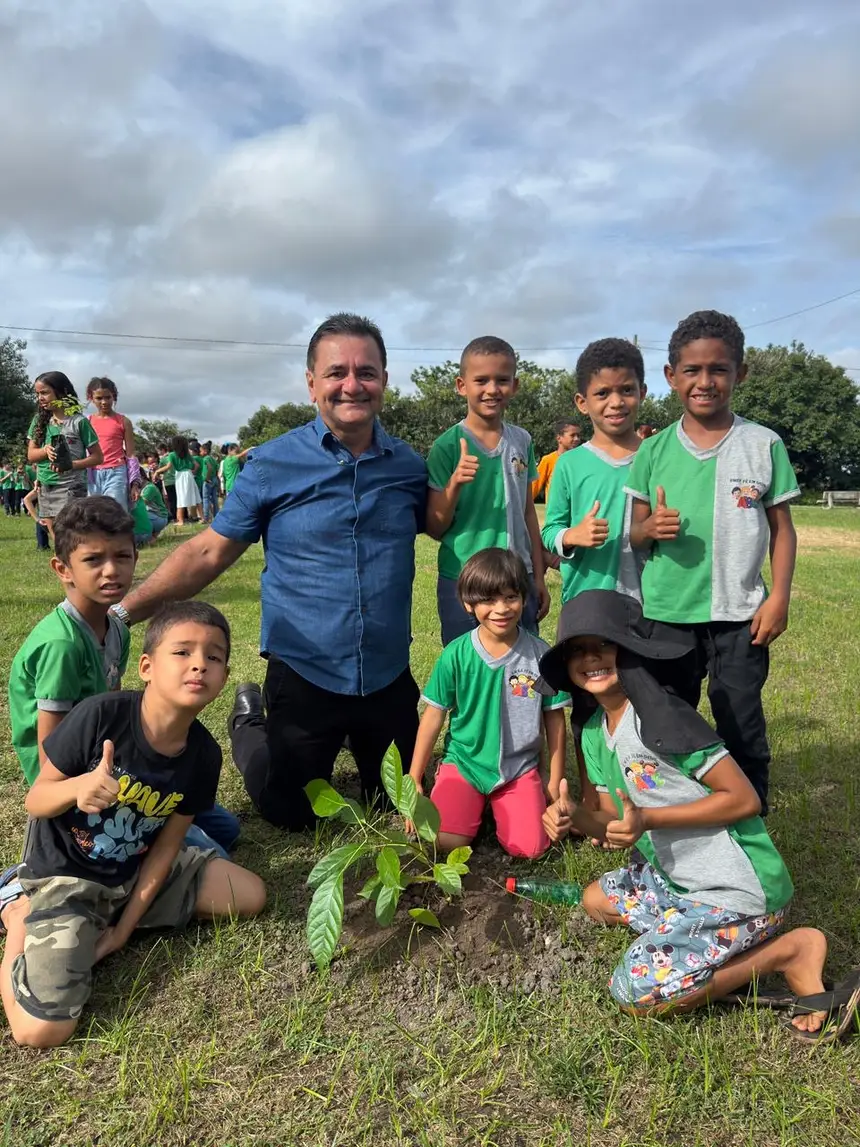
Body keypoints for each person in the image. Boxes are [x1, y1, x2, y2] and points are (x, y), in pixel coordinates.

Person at [109, 313, 427, 832]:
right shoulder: (272, 464)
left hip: (387, 672)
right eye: (336, 372)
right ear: (311, 384)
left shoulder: (410, 467)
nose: (352, 384)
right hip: (305, 671)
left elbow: (460, 522)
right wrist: (122, 613)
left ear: (385, 381)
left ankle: (354, 737)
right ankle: (249, 720)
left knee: (397, 806)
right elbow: (209, 552)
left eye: (366, 372)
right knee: (290, 814)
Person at [537, 590, 841, 1042]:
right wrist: (572, 816)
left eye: (603, 644)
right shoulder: (596, 735)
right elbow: (614, 822)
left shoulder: (664, 719)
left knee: (634, 991)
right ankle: (686, 928)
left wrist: (653, 822)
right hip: (679, 881)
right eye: (578, 650)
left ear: (630, 649)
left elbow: (743, 799)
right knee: (595, 899)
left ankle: (788, 952)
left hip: (739, 889)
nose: (591, 658)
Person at [0, 601, 266, 1049]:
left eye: (214, 656)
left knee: (251, 894)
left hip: (131, 872)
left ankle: (113, 915)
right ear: (146, 666)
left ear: (222, 677)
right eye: (182, 652)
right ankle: (18, 908)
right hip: (67, 876)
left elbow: (166, 848)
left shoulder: (204, 755)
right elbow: (36, 799)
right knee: (40, 1031)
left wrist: (122, 933)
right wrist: (77, 788)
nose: (199, 663)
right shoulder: (101, 716)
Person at [626, 311, 799, 813]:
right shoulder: (652, 450)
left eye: (719, 369)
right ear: (671, 376)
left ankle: (750, 820)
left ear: (740, 373)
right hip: (667, 613)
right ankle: (674, 813)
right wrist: (648, 529)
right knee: (668, 721)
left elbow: (782, 530)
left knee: (740, 720)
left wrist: (780, 597)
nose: (706, 382)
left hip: (741, 616)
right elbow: (635, 534)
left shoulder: (763, 444)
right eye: (693, 371)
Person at [7, 497, 239, 857]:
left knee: (226, 828)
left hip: (114, 766)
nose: (111, 571)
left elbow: (115, 711)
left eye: (122, 557)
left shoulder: (117, 629)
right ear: (62, 568)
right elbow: (47, 757)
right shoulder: (62, 646)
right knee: (211, 852)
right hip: (71, 782)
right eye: (93, 560)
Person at [407, 549, 569, 858]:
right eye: (488, 600)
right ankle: (462, 796)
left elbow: (554, 719)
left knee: (531, 848)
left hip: (518, 768)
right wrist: (414, 776)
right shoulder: (455, 654)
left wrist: (555, 780)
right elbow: (432, 717)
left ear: (523, 597)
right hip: (465, 764)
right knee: (443, 840)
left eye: (510, 597)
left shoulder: (541, 656)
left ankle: (506, 805)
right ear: (469, 603)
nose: (501, 609)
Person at [426, 336, 549, 646]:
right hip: (464, 578)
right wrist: (454, 483)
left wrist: (538, 576)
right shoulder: (447, 447)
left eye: (502, 380)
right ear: (461, 385)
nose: (492, 389)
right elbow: (435, 526)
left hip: (517, 580)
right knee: (466, 665)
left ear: (515, 385)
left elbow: (526, 513)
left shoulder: (522, 441)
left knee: (522, 668)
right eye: (481, 380)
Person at [542, 339, 646, 606]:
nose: (616, 402)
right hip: (586, 601)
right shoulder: (569, 464)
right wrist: (572, 535)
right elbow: (551, 529)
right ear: (582, 402)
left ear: (642, 392)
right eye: (602, 393)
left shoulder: (659, 458)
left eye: (626, 390)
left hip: (652, 604)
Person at [26, 372, 103, 541]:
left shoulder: (78, 422)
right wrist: (45, 450)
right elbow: (31, 455)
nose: (40, 397)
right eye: (37, 394)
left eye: (45, 392)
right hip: (46, 486)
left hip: (72, 487)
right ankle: (65, 565)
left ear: (61, 392)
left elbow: (98, 457)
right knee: (58, 540)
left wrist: (71, 464)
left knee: (72, 535)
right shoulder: (39, 421)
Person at [86, 377, 137, 511]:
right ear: (91, 398)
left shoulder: (123, 421)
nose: (104, 402)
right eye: (99, 398)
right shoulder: (87, 422)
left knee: (116, 512)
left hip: (117, 471)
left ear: (114, 396)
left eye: (108, 397)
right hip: (92, 474)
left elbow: (131, 454)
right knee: (94, 514)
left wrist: (134, 483)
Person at [154, 436, 202, 527]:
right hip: (189, 474)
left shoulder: (172, 455)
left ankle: (180, 520)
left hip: (180, 476)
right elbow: (197, 465)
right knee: (196, 496)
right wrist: (193, 471)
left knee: (180, 498)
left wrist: (157, 471)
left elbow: (168, 466)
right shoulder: (187, 454)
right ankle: (202, 517)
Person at [531, 420, 581, 503]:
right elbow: (533, 488)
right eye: (572, 435)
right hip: (555, 513)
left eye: (578, 435)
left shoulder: (581, 461)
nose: (577, 439)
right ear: (559, 438)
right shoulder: (548, 460)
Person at [156, 441, 177, 521]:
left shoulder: (163, 459)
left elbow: (160, 469)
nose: (158, 453)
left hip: (168, 481)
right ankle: (184, 516)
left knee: (171, 500)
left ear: (162, 450)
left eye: (158, 451)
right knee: (178, 499)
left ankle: (175, 517)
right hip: (176, 480)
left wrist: (156, 473)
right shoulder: (173, 456)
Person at [198, 441, 219, 522]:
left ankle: (206, 518)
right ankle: (216, 516)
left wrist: (207, 478)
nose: (200, 453)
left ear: (205, 451)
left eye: (201, 451)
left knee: (205, 499)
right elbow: (216, 468)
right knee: (214, 499)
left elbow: (209, 468)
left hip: (208, 480)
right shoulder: (212, 459)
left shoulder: (206, 458)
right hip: (214, 479)